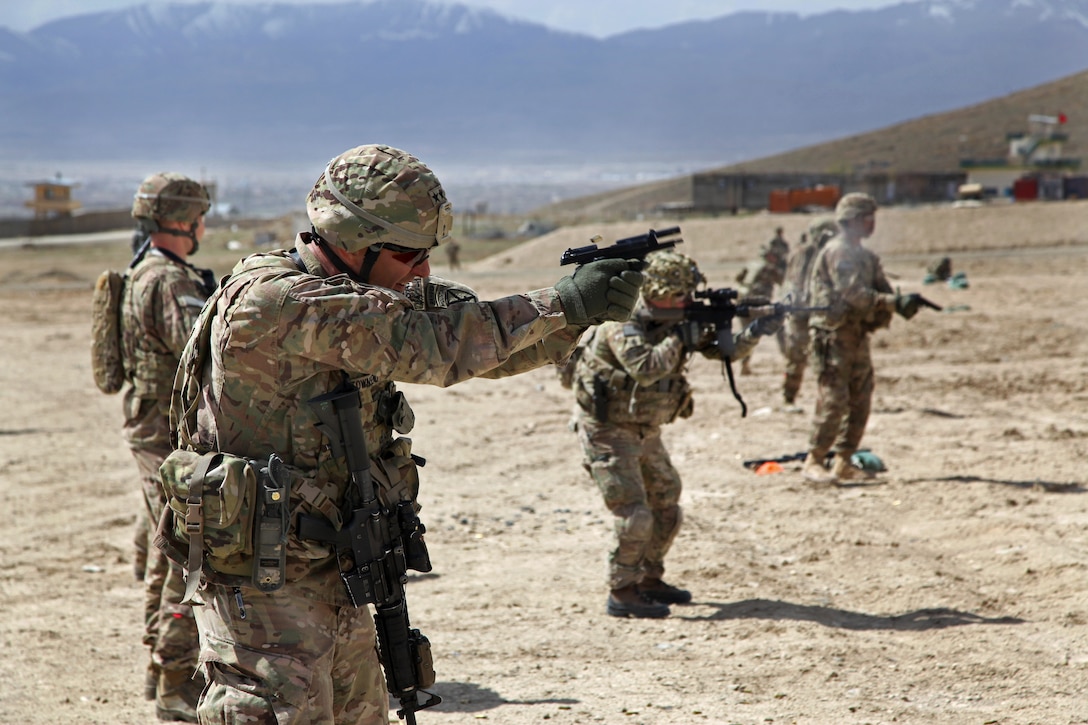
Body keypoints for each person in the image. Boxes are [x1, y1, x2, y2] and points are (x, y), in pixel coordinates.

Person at [160, 144, 643, 724]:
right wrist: (560, 301)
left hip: (329, 562)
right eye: (410, 255)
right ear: (353, 241)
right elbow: (436, 345)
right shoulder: (280, 301)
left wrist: (575, 316)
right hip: (266, 582)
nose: (424, 272)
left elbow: (474, 342)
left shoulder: (359, 292)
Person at [570, 249, 782, 618]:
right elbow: (646, 367)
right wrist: (681, 336)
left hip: (644, 429)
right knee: (635, 514)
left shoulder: (676, 318)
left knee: (667, 504)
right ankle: (622, 590)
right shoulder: (623, 319)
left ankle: (649, 579)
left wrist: (756, 330)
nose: (687, 301)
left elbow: (723, 352)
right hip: (607, 429)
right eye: (680, 294)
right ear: (658, 291)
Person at [121, 172, 214, 721]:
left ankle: (161, 671)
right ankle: (175, 684)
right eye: (200, 216)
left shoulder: (144, 270)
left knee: (165, 551)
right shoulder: (170, 281)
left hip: (152, 430)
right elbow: (198, 353)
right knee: (186, 554)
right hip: (164, 434)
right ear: (185, 220)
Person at [801, 193, 924, 485]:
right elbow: (853, 294)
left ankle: (844, 460)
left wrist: (896, 301)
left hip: (856, 336)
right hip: (833, 337)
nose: (872, 224)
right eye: (867, 218)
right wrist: (891, 303)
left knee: (861, 398)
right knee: (833, 399)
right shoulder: (838, 251)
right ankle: (814, 460)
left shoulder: (864, 256)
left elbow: (878, 290)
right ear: (853, 220)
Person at [781, 217, 839, 407]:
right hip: (802, 312)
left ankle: (826, 399)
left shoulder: (828, 253)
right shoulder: (804, 253)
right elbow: (797, 283)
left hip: (818, 312)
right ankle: (789, 397)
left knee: (825, 357)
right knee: (797, 356)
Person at [735, 227, 789, 374]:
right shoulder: (770, 268)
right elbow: (783, 281)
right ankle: (789, 359)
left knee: (747, 334)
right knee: (779, 327)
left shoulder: (752, 264)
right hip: (758, 305)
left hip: (741, 303)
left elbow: (738, 278)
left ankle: (744, 366)